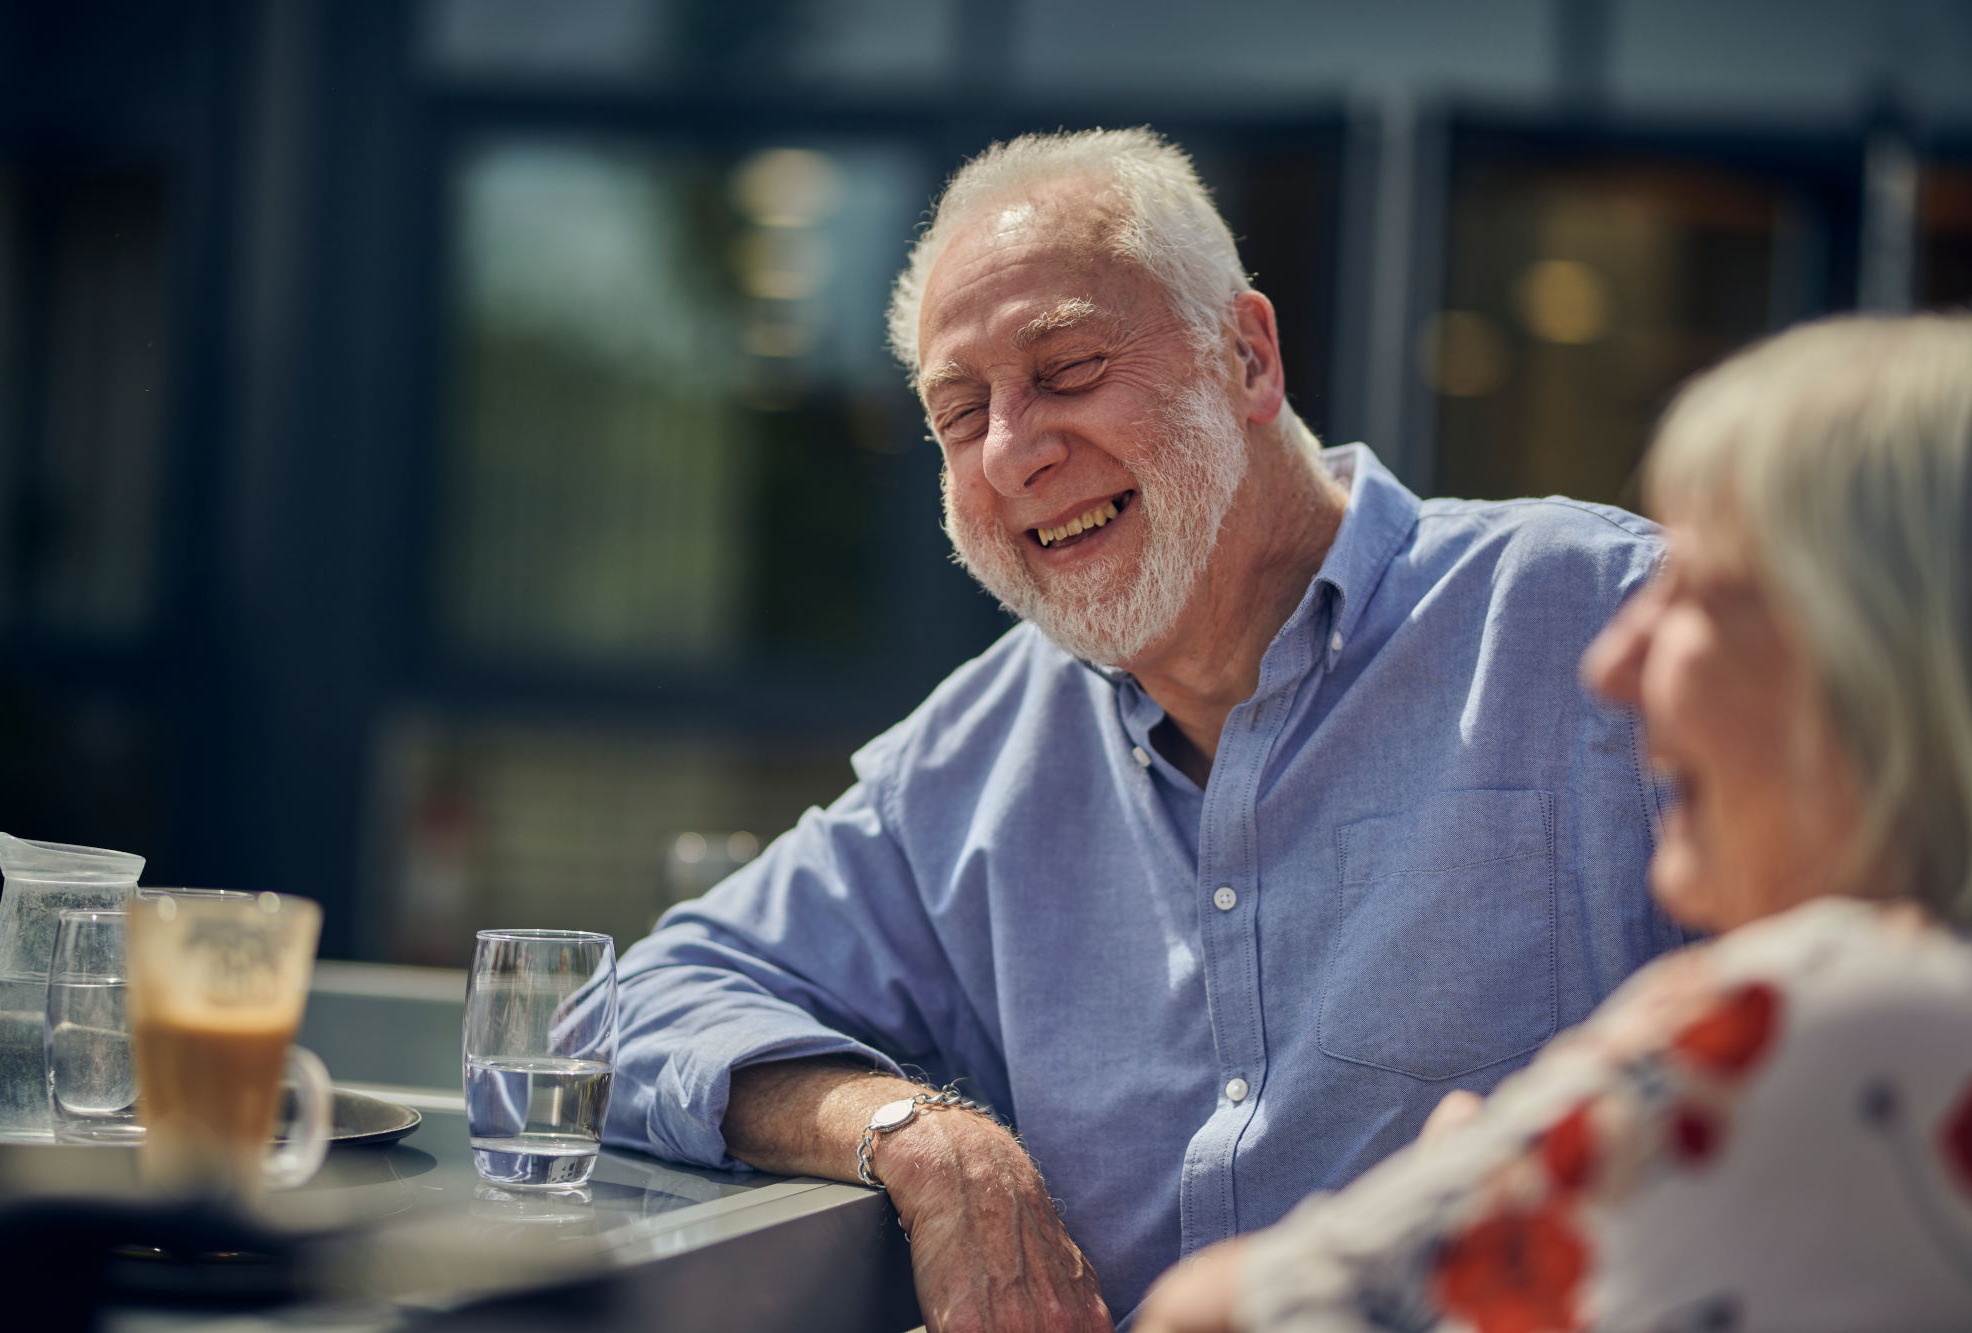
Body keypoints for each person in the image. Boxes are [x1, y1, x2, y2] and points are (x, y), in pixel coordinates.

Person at [605, 128, 1683, 1329]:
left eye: (1066, 368)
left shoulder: (1601, 622)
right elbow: (642, 1001)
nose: (1013, 451)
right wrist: (917, 1137)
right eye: (959, 413)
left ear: (1247, 354)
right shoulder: (977, 755)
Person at [1135, 313, 1972, 1333]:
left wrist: (1461, 1186)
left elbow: (1204, 1318)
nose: (1611, 664)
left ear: (1880, 660)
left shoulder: (1834, 1009)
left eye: (1697, 592)